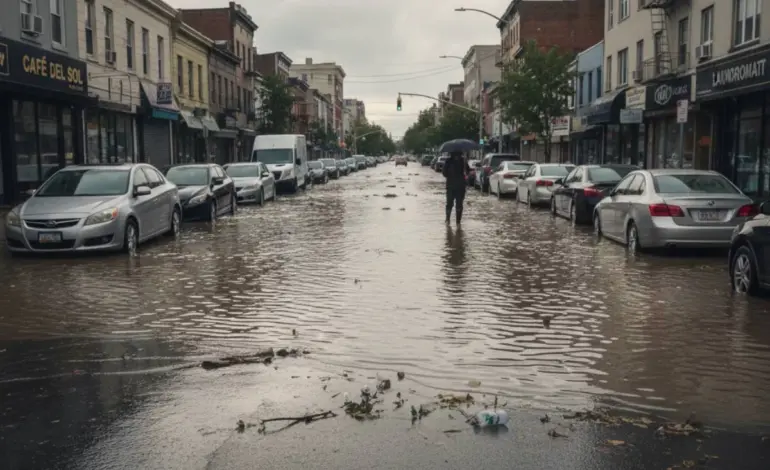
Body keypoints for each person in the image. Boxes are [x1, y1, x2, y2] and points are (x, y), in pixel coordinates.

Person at [442, 151, 470, 225]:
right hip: (458, 186)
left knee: (451, 204)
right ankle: (456, 222)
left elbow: (444, 173)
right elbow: (468, 172)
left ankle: (449, 220)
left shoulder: (450, 161)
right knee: (457, 204)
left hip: (454, 186)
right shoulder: (462, 161)